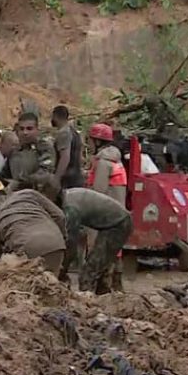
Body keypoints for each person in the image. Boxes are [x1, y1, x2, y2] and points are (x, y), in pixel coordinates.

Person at [0, 174, 68, 278]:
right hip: (56, 246)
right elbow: (60, 216)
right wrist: (62, 238)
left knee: (23, 289)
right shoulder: (28, 194)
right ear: (4, 189)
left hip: (27, 254)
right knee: (51, 287)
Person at [62, 187, 133, 295]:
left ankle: (86, 302)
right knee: (100, 269)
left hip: (119, 224)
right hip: (117, 221)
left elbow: (71, 246)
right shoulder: (68, 195)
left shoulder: (70, 209)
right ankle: (103, 297)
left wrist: (61, 270)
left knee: (90, 270)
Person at [85, 123, 128, 290]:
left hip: (104, 217)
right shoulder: (116, 160)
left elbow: (98, 192)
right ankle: (116, 292)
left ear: (97, 141)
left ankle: (101, 291)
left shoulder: (103, 162)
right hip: (117, 216)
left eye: (90, 139)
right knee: (114, 254)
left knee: (100, 253)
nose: (88, 143)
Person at [0, 112, 58, 200]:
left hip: (41, 198)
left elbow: (44, 173)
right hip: (16, 198)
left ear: (37, 129)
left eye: (29, 129)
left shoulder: (44, 148)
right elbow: (4, 175)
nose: (25, 132)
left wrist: (20, 183)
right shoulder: (15, 151)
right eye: (21, 129)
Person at [51, 105, 84, 192]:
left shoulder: (63, 133)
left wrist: (56, 179)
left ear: (55, 116)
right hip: (77, 176)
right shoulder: (75, 133)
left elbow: (65, 157)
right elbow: (80, 157)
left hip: (67, 180)